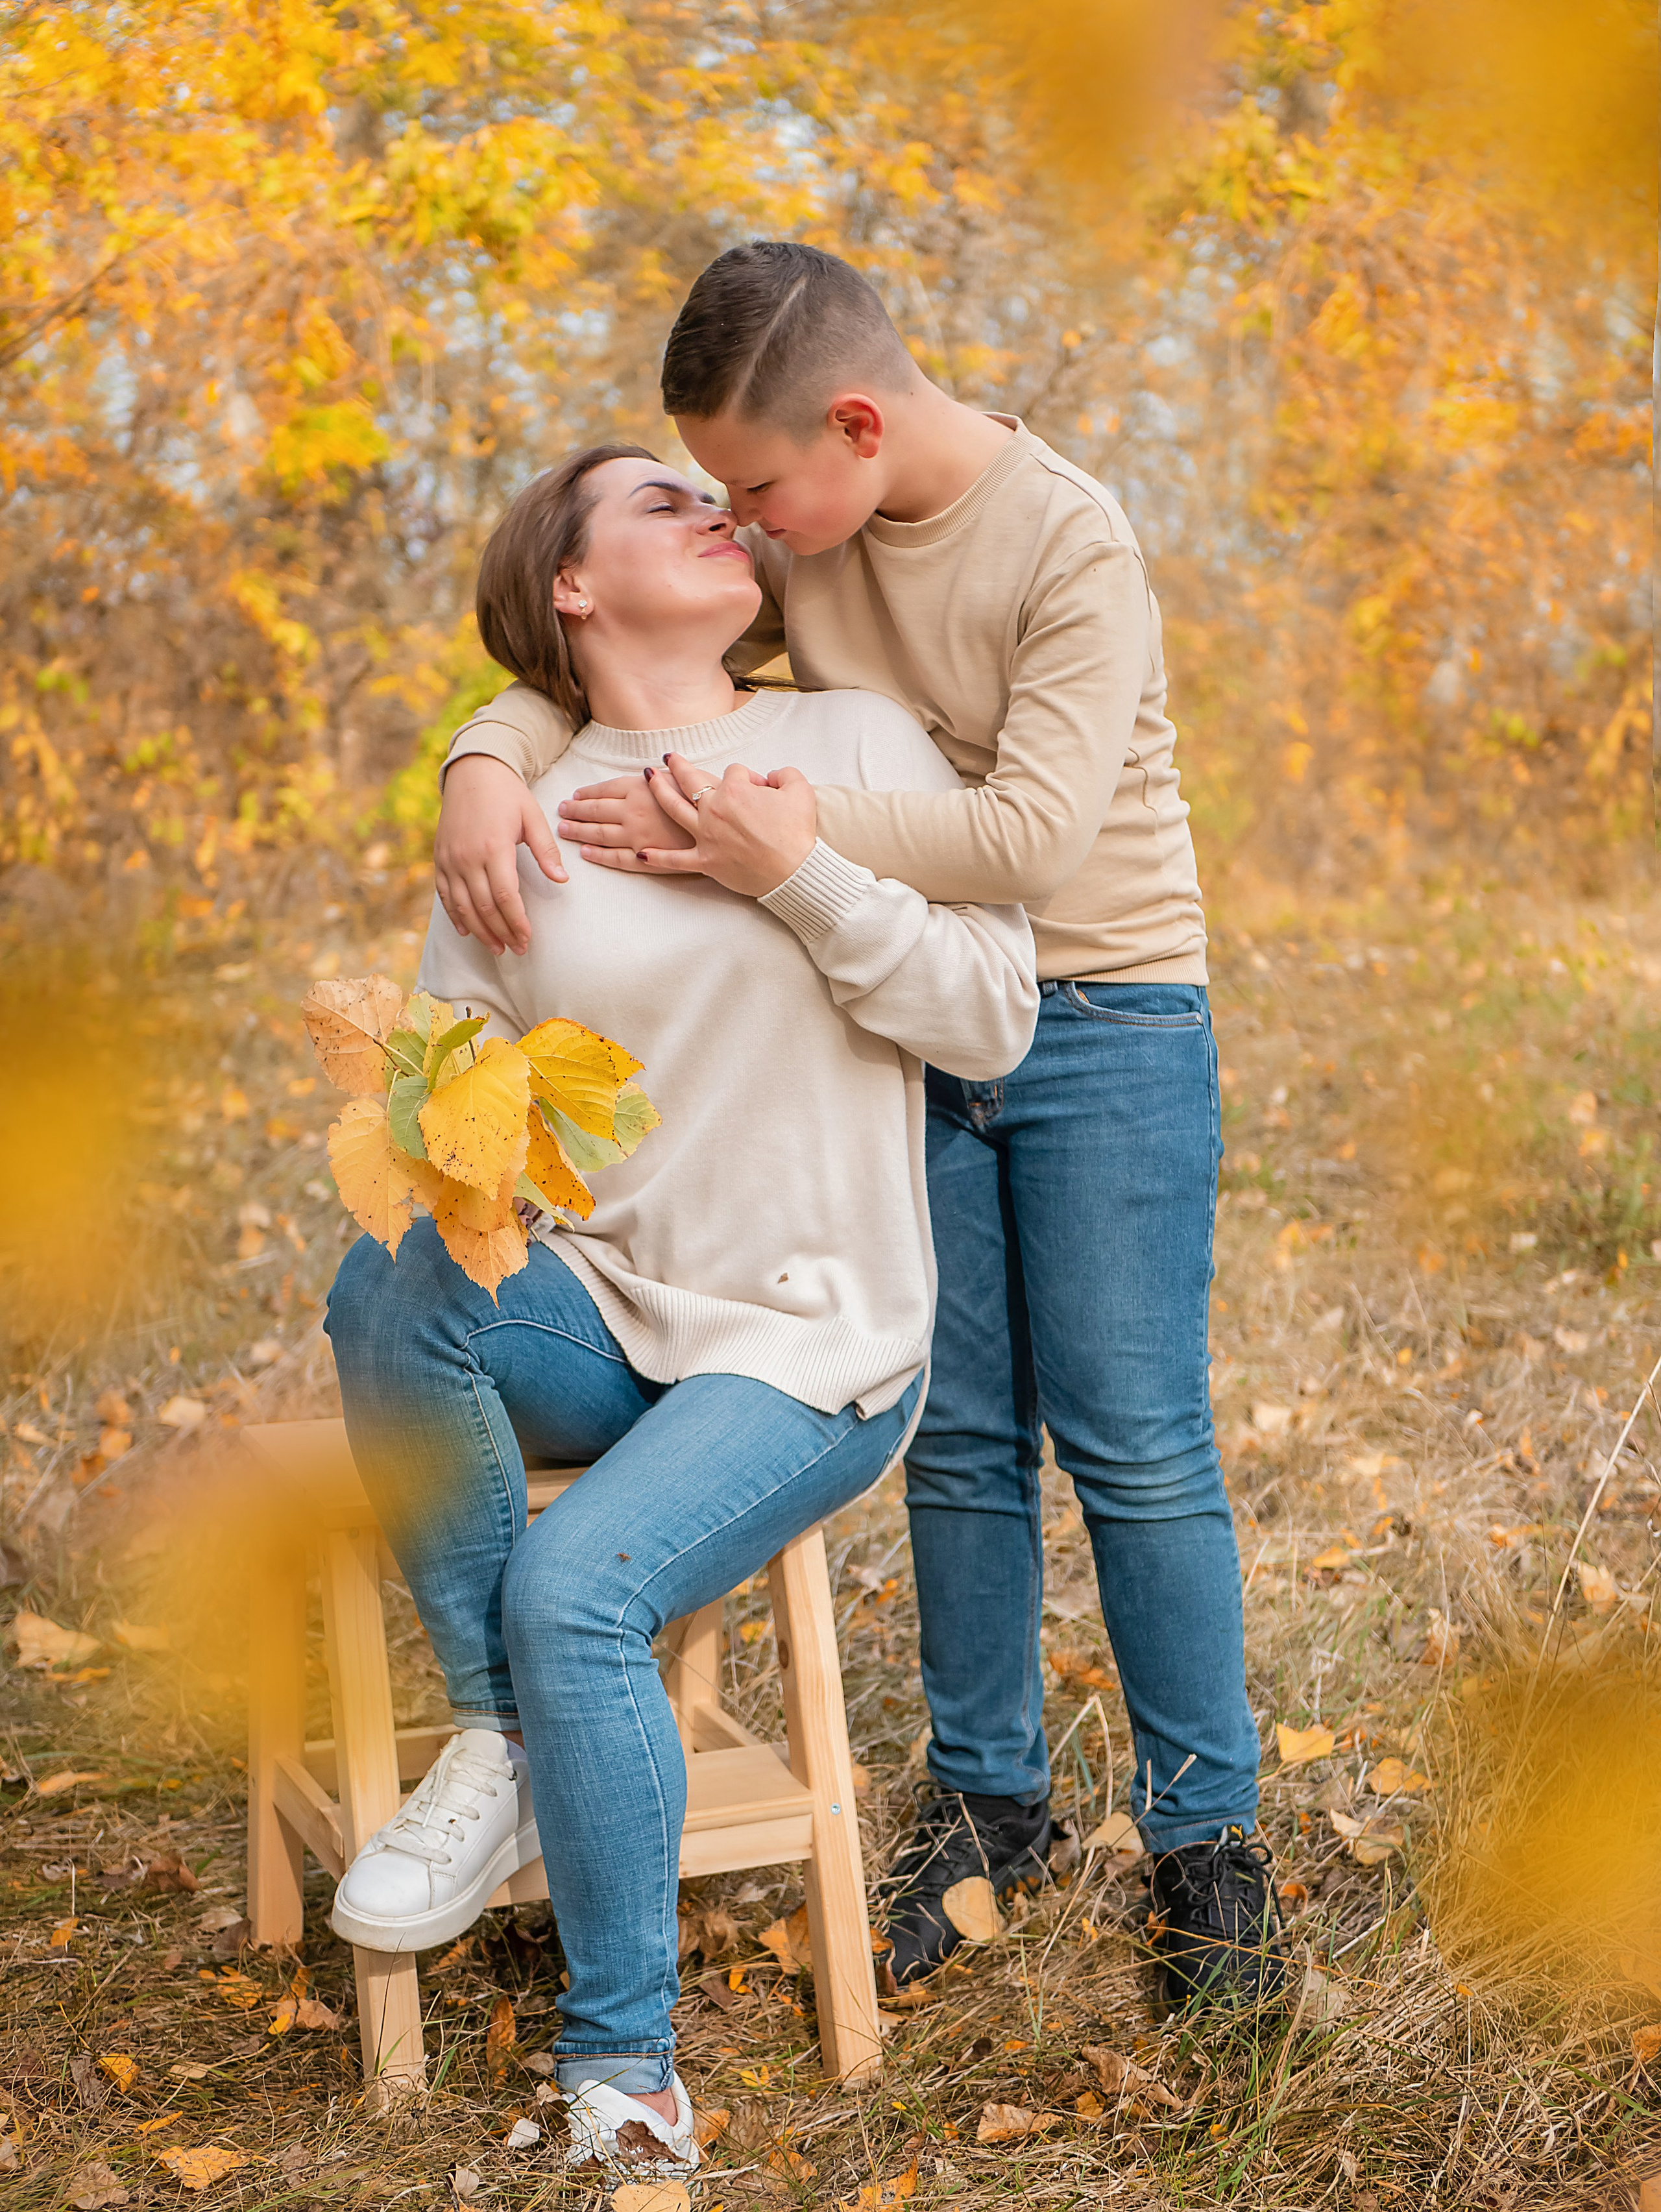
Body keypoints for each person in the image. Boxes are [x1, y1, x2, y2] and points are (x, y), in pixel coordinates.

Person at [430, 241, 1285, 2012]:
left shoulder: (1070, 542)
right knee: (963, 1430)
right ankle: (988, 1804)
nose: (738, 527)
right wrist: (487, 757)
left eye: (751, 488)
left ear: (859, 424)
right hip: (898, 1008)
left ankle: (1209, 1839)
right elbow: (574, 644)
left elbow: (1035, 844)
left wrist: (783, 833)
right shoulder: (812, 534)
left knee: (1132, 1435)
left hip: (1107, 1009)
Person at [323, 441, 1039, 2176]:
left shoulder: (847, 741)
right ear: (569, 585)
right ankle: (500, 1738)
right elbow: (448, 1124)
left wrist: (781, 867)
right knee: (383, 1277)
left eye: (713, 494)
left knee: (581, 1586)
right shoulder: (517, 802)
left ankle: (625, 2081)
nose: (711, 506)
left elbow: (991, 1014)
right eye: (656, 499)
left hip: (808, 1337)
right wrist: (428, 1100)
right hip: (602, 1309)